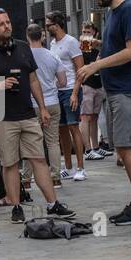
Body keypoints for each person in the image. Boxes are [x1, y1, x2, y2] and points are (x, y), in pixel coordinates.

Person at [0, 9, 75, 225]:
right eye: (0, 24)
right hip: (0, 116)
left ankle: (52, 203)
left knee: (38, 158)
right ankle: (16, 206)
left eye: (8, 22)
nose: (6, 26)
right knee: (9, 163)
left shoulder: (23, 47)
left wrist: (43, 108)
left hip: (27, 113)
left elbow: (33, 80)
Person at [74, 0, 131, 225]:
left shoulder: (129, 11)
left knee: (125, 146)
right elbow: (120, 48)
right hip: (120, 89)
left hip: (129, 89)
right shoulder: (113, 14)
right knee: (125, 145)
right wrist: (99, 49)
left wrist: (96, 67)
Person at [46, 12, 87, 181]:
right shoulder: (52, 44)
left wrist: (76, 93)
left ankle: (81, 167)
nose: (47, 27)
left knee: (73, 126)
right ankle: (68, 167)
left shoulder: (71, 42)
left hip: (70, 89)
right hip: (57, 91)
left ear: (57, 24)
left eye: (48, 24)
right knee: (62, 129)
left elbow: (80, 68)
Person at [27, 23, 64, 185]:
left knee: (29, 143)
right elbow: (63, 81)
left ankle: (26, 179)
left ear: (27, 36)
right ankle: (55, 177)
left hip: (31, 104)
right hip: (52, 102)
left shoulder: (24, 56)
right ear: (42, 36)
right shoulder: (52, 55)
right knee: (53, 142)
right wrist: (50, 85)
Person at [77, 21, 107, 160]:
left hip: (98, 83)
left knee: (94, 116)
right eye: (84, 32)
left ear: (94, 32)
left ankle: (95, 147)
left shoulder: (98, 45)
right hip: (86, 83)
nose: (86, 35)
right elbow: (83, 63)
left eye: (88, 32)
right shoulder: (82, 46)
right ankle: (88, 150)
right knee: (86, 117)